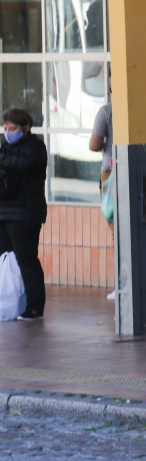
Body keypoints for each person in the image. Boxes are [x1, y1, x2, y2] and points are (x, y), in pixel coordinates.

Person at [0, 109, 48, 321]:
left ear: (26, 128)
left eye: (13, 129)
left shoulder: (35, 148)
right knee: (5, 259)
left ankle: (35, 307)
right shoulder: (6, 148)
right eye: (5, 129)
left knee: (26, 259)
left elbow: (24, 164)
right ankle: (11, 301)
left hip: (26, 213)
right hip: (5, 210)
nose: (8, 133)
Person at [89, 101, 115, 300]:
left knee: (116, 229)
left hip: (111, 173)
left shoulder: (107, 111)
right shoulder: (144, 103)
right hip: (140, 169)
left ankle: (121, 283)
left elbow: (94, 145)